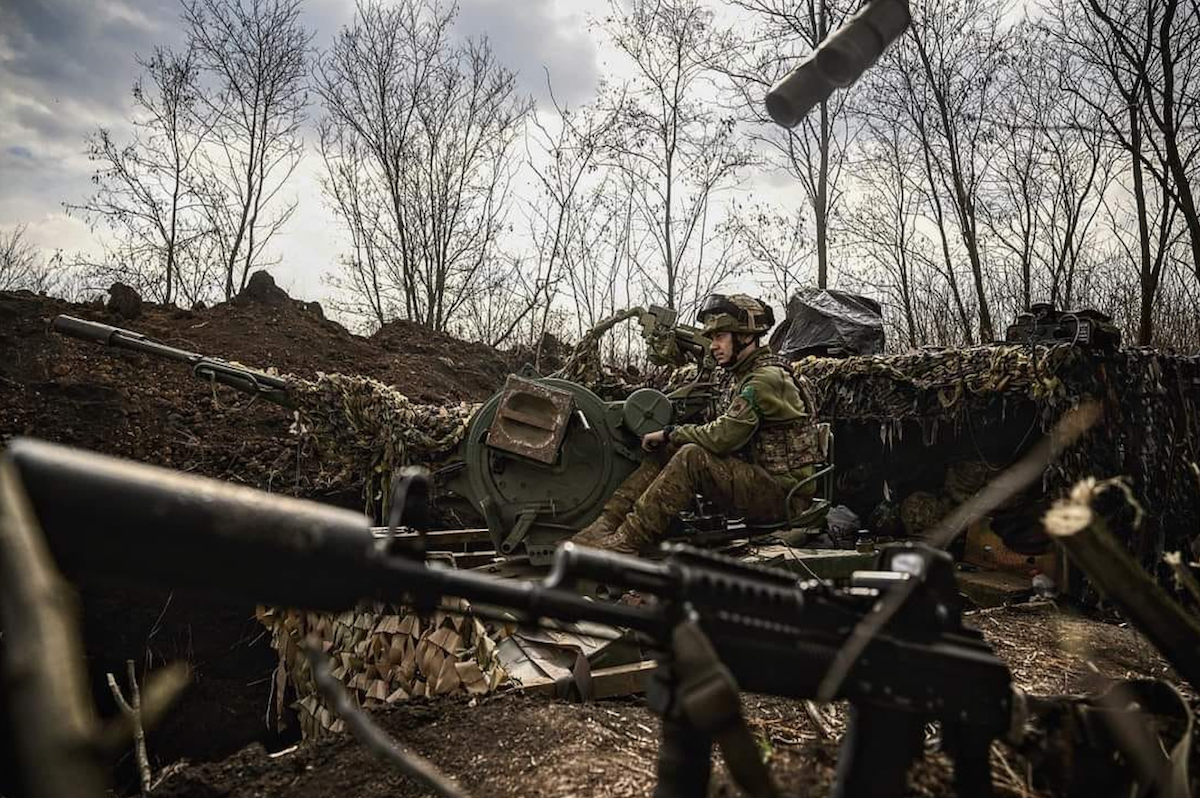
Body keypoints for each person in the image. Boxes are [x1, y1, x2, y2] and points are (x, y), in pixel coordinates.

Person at [570, 293, 821, 554]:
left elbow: (722, 437)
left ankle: (627, 540)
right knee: (671, 448)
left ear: (746, 336)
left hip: (784, 497)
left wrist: (671, 432)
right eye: (712, 338)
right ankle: (605, 525)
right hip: (763, 483)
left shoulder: (764, 380)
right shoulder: (746, 375)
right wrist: (671, 438)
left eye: (720, 337)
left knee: (691, 456)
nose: (713, 345)